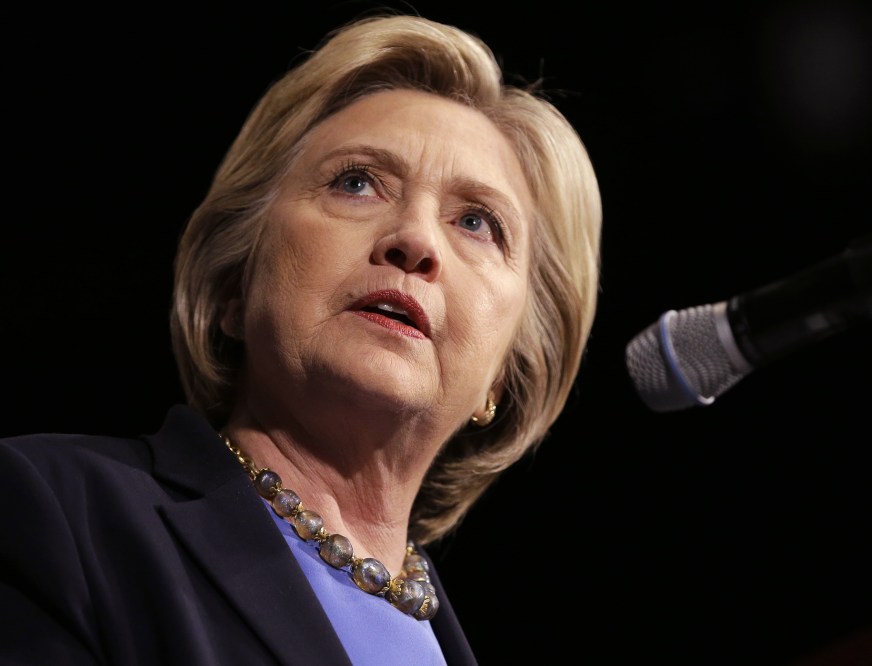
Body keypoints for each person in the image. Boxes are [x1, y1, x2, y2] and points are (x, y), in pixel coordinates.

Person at [0, 11, 602, 666]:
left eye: (478, 222)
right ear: (234, 282)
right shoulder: (58, 515)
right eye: (357, 181)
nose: (416, 241)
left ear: (504, 374)